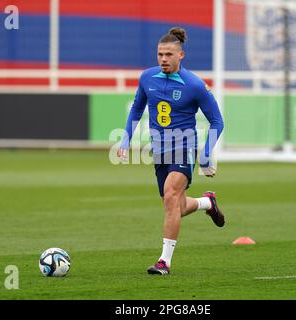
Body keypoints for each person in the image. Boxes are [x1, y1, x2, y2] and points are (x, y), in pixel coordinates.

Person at [117, 27, 225, 275]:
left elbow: (217, 121)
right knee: (173, 204)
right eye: (159, 54)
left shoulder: (195, 85)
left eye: (168, 54)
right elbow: (136, 109)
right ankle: (206, 203)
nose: (163, 59)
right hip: (159, 149)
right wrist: (125, 139)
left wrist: (206, 154)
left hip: (184, 146)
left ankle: (164, 262)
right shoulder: (147, 78)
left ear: (181, 55)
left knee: (170, 196)